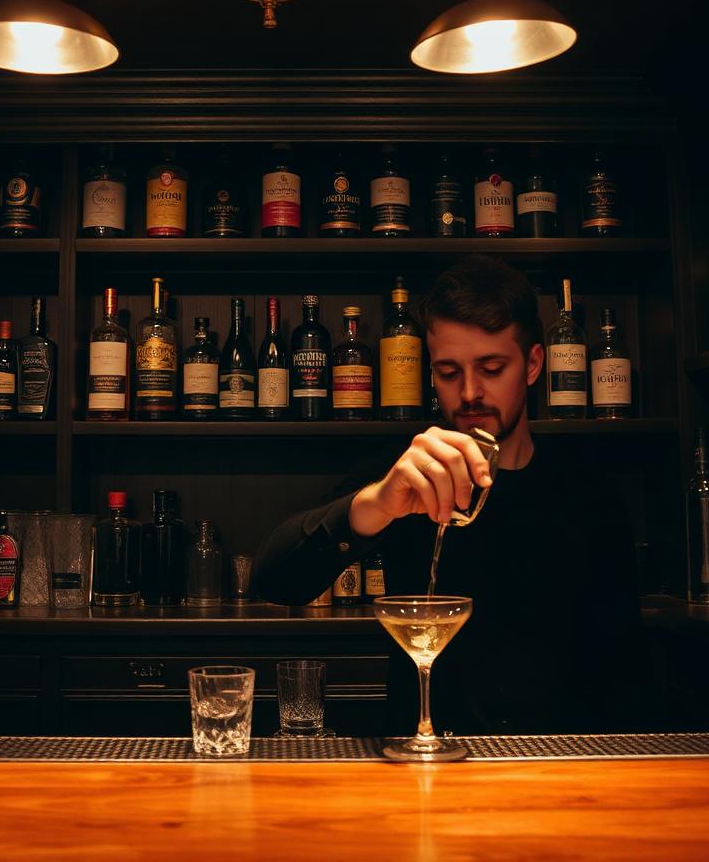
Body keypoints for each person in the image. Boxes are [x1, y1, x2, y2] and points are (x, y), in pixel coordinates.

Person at [254, 255, 641, 735]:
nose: (470, 392)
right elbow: (274, 580)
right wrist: (374, 505)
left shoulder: (590, 494)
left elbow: (625, 667)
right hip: (425, 763)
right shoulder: (402, 476)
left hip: (560, 767)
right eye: (449, 372)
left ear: (534, 364)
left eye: (492, 368)